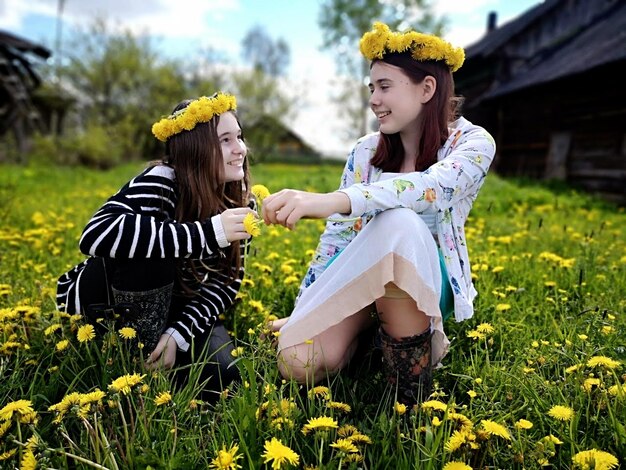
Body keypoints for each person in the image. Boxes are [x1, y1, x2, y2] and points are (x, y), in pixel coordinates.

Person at [262, 22, 496, 405]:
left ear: (426, 89)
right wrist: (306, 308)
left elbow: (427, 189)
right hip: (364, 277)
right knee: (297, 361)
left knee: (398, 219)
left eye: (385, 86)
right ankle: (370, 338)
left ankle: (408, 392)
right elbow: (337, 240)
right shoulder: (365, 152)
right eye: (372, 88)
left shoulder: (472, 143)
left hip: (423, 281)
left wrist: (331, 200)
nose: (374, 99)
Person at [56, 92, 255, 400]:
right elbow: (95, 235)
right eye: (225, 140)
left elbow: (226, 284)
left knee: (224, 377)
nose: (240, 149)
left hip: (175, 304)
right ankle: (133, 358)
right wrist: (207, 233)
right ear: (196, 150)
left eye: (239, 137)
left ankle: (163, 352)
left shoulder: (240, 202)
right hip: (114, 298)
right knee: (153, 248)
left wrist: (178, 334)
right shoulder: (162, 180)